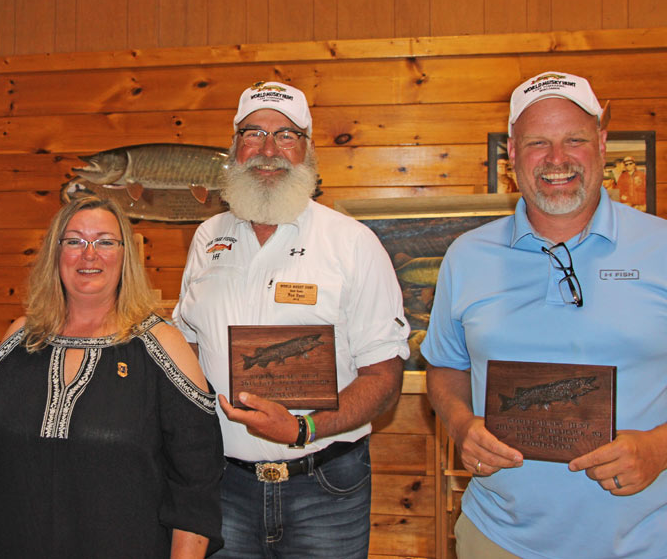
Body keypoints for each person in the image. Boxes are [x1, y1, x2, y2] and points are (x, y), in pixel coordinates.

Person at [422, 71, 667, 558]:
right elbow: (445, 366)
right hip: (497, 538)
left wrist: (660, 448)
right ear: (512, 154)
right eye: (538, 143)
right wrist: (462, 425)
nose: (557, 159)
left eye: (574, 139)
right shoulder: (466, 255)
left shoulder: (661, 246)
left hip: (645, 540)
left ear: (601, 144)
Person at [173, 81, 410, 558]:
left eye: (286, 135)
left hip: (325, 487)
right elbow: (187, 350)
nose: (268, 150)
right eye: (254, 133)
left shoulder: (353, 243)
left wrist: (304, 429)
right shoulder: (207, 237)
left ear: (308, 149)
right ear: (235, 147)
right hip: (223, 484)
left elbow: (384, 379)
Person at [0, 196, 224, 558]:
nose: (89, 255)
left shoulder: (162, 345)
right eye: (75, 241)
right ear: (55, 252)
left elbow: (196, 483)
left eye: (105, 242)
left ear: (125, 255)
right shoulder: (20, 339)